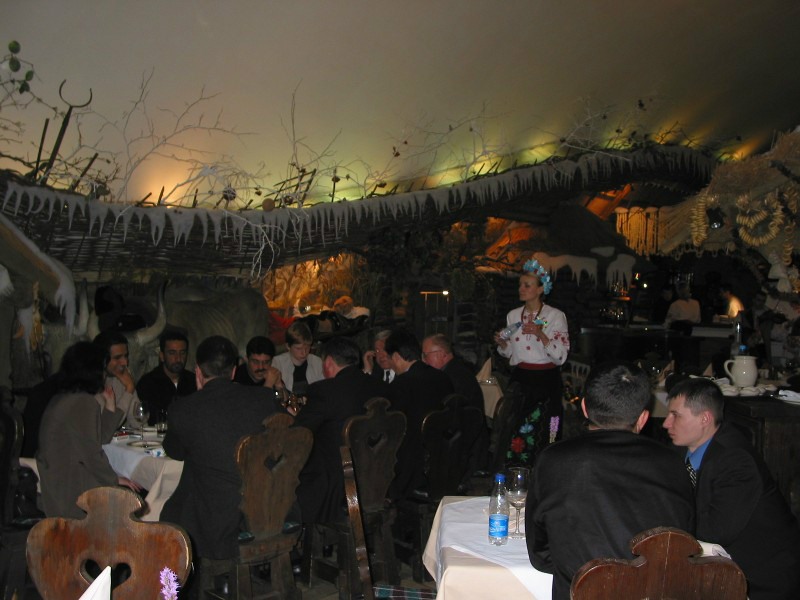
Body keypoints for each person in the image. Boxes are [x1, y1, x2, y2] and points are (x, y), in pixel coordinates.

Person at [527, 362, 695, 600]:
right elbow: (684, 542)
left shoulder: (554, 459)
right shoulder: (673, 463)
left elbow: (540, 556)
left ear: (584, 408)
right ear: (643, 418)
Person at [160, 336, 282, 597]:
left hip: (216, 522)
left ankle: (173, 592)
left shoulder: (184, 409)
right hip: (267, 511)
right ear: (234, 371)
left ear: (198, 372)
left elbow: (174, 451)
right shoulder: (264, 399)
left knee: (170, 511)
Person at [663, 378, 800, 599]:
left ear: (705, 418)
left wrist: (665, 511)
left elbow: (715, 531)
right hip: (722, 567)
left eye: (675, 415)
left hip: (761, 579)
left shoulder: (735, 460)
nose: (666, 423)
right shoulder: (683, 447)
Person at [294, 336, 394, 524]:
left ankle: (302, 534)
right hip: (379, 482)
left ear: (328, 362)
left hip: (337, 488)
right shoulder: (382, 387)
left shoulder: (325, 391)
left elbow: (298, 432)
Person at [37, 341, 143, 518]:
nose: (104, 374)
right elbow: (91, 453)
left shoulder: (67, 397)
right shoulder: (81, 402)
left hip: (59, 481)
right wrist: (114, 479)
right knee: (135, 500)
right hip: (70, 488)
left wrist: (110, 406)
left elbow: (100, 438)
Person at [495, 258, 570, 465]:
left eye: (527, 285)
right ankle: (514, 470)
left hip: (547, 380)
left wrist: (541, 335)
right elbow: (511, 353)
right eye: (520, 284)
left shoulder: (555, 316)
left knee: (548, 428)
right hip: (521, 380)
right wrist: (502, 344)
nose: (521, 289)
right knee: (513, 428)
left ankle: (545, 468)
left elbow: (561, 356)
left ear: (540, 289)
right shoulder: (513, 316)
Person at [385, 329, 454, 499]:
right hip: (446, 460)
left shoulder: (401, 385)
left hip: (414, 470)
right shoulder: (443, 378)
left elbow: (391, 427)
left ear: (396, 357)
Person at [422, 333, 489, 474]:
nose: (424, 360)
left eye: (426, 355)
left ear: (441, 354)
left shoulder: (450, 377)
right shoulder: (456, 369)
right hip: (467, 445)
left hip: (463, 452)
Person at [135, 330, 196, 425]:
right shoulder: (147, 384)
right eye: (172, 353)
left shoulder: (194, 381)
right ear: (162, 356)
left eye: (182, 353)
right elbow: (142, 419)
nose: (178, 358)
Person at [93, 330, 142, 429]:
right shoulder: (87, 385)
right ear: (102, 359)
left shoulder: (120, 379)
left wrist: (130, 388)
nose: (125, 363)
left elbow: (138, 422)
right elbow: (107, 428)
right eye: (117, 358)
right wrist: (129, 389)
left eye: (126, 356)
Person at [272, 321, 323, 395]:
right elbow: (273, 394)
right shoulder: (277, 363)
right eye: (298, 348)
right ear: (288, 346)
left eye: (307, 347)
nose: (304, 353)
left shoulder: (317, 362)